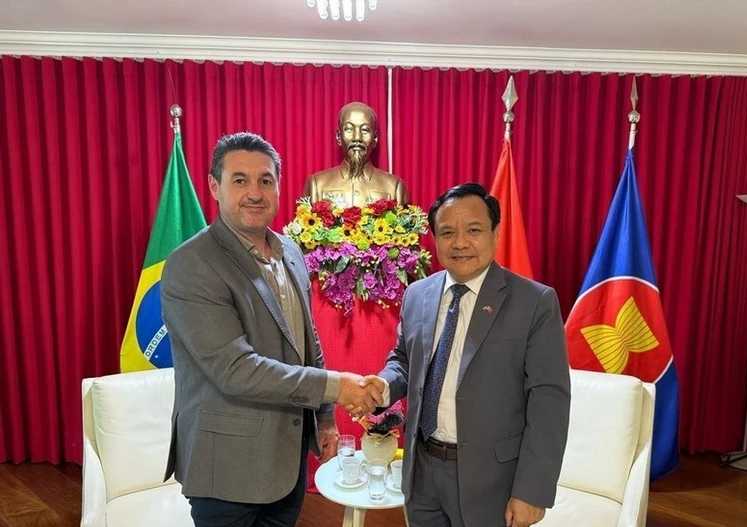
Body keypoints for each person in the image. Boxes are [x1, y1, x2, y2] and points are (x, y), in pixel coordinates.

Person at [161, 131, 383, 527]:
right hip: (227, 470)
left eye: (265, 180)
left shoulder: (290, 251)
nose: (255, 192)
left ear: (279, 186)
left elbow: (306, 341)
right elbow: (236, 370)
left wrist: (327, 416)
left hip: (286, 463)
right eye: (240, 180)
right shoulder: (192, 265)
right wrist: (338, 386)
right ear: (215, 186)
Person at [356, 183, 571, 527]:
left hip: (492, 479)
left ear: (495, 233)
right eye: (447, 232)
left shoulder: (534, 302)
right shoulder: (417, 294)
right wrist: (382, 386)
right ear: (435, 239)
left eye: (473, 230)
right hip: (422, 468)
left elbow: (550, 404)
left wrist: (532, 490)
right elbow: (404, 360)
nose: (459, 243)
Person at [302, 102, 410, 207]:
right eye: (349, 129)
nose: (357, 137)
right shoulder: (316, 184)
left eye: (365, 130)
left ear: (375, 138)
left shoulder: (395, 187)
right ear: (339, 136)